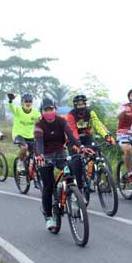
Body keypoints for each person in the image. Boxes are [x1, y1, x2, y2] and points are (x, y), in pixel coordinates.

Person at [34, 98, 90, 231]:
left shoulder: (61, 121)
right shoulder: (39, 124)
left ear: (55, 109)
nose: (48, 112)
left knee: (70, 170)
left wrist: (81, 147)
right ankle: (49, 217)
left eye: (51, 109)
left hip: (60, 152)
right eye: (45, 110)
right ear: (41, 111)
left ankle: (70, 193)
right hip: (44, 155)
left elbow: (71, 136)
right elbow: (39, 142)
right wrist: (40, 155)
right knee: (48, 187)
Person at [66, 94, 114, 192]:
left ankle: (96, 177)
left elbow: (97, 124)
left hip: (87, 137)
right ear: (75, 105)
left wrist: (106, 136)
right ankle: (80, 185)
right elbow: (73, 130)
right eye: (79, 105)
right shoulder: (71, 115)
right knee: (77, 161)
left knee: (97, 150)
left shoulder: (90, 112)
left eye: (83, 104)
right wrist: (78, 145)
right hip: (73, 139)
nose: (81, 106)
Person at [7, 93, 40, 171]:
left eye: (30, 101)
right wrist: (10, 100)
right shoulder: (18, 110)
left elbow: (41, 119)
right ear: (22, 102)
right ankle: (20, 163)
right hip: (18, 135)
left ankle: (31, 167)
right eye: (26, 101)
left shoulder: (35, 112)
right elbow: (11, 108)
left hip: (30, 136)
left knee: (37, 152)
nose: (28, 103)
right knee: (24, 148)